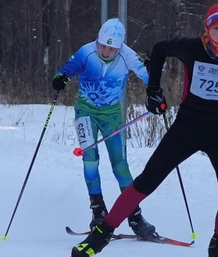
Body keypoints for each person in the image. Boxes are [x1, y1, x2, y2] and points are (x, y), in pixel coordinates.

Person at [69, 2, 218, 257]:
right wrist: (153, 91)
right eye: (217, 28)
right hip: (188, 126)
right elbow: (159, 50)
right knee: (147, 180)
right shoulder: (191, 48)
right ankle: (100, 236)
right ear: (208, 28)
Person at [50, 18, 164, 240]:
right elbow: (68, 68)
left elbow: (148, 77)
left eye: (111, 48)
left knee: (120, 164)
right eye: (103, 45)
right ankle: (98, 211)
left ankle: (135, 216)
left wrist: (154, 79)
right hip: (86, 112)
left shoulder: (127, 54)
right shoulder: (87, 51)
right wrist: (61, 78)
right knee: (90, 159)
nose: (106, 51)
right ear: (98, 40)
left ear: (119, 46)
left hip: (113, 115)